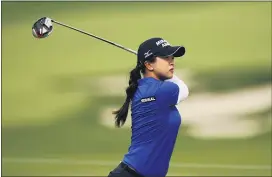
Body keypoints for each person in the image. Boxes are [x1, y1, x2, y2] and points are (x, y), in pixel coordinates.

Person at [108, 37, 189, 177]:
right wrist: (169, 74)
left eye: (172, 57)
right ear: (149, 65)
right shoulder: (160, 91)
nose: (171, 61)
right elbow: (184, 89)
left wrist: (156, 66)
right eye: (165, 57)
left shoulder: (143, 87)